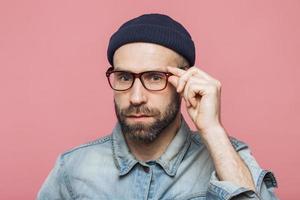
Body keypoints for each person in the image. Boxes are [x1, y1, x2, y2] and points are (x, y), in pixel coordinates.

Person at [37, 13, 278, 200]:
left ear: (185, 81)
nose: (136, 97)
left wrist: (213, 131)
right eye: (124, 77)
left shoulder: (227, 156)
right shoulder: (73, 168)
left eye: (154, 77)